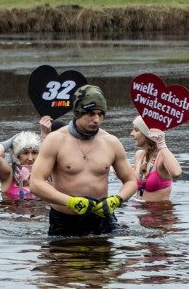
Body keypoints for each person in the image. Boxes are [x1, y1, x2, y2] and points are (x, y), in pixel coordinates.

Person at [30, 85, 138, 236]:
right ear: (78, 113)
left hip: (102, 218)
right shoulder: (55, 140)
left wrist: (116, 200)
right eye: (91, 114)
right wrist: (71, 202)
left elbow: (131, 181)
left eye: (101, 114)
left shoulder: (111, 142)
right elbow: (35, 183)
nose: (96, 119)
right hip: (64, 220)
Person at [131, 115, 182, 201]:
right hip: (139, 211)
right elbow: (132, 184)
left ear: (146, 133)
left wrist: (162, 144)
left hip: (160, 212)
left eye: (136, 130)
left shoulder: (162, 156)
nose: (131, 134)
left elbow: (176, 173)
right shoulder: (139, 155)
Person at [0, 131, 41, 200]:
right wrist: (13, 140)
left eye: (34, 152)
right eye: (25, 153)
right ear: (17, 155)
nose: (30, 158)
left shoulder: (47, 172)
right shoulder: (9, 174)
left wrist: (41, 140)